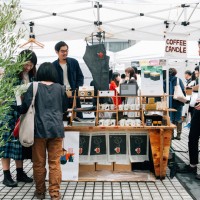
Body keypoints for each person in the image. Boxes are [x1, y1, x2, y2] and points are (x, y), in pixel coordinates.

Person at [20, 62, 69, 200]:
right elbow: (65, 108)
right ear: (53, 73)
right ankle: (55, 193)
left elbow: (24, 108)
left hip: (38, 130)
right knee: (55, 163)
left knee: (39, 163)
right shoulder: (61, 88)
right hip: (56, 130)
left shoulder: (33, 87)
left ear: (40, 73)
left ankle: (40, 192)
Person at [0, 49, 37, 187]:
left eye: (31, 65)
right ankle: (6, 174)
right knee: (7, 144)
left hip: (22, 113)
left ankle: (20, 172)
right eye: (26, 64)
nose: (28, 67)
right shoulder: (11, 73)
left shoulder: (32, 75)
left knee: (19, 143)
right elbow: (4, 93)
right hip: (9, 113)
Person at [52, 41, 84, 118]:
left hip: (74, 93)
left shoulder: (74, 62)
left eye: (66, 51)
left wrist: (77, 88)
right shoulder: (53, 65)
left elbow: (80, 77)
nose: (65, 53)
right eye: (62, 51)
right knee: (62, 117)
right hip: (61, 95)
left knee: (77, 116)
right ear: (57, 52)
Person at [164, 68, 186, 140]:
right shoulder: (178, 80)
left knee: (171, 118)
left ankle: (172, 135)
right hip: (178, 102)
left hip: (169, 102)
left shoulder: (165, 81)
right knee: (179, 118)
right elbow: (183, 90)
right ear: (175, 73)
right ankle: (178, 135)